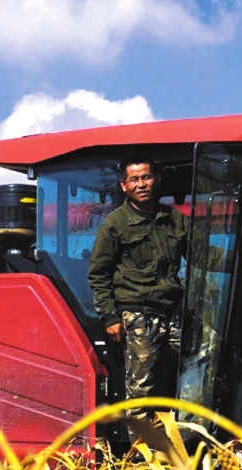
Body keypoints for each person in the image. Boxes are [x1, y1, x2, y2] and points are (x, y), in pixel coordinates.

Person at [87, 155, 187, 424]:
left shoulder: (175, 219)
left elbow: (204, 255)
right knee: (141, 390)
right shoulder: (115, 224)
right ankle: (142, 449)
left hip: (173, 313)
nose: (141, 184)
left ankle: (186, 437)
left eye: (146, 177)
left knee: (198, 365)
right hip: (138, 315)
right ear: (124, 186)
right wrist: (110, 318)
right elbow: (98, 274)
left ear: (157, 180)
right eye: (134, 179)